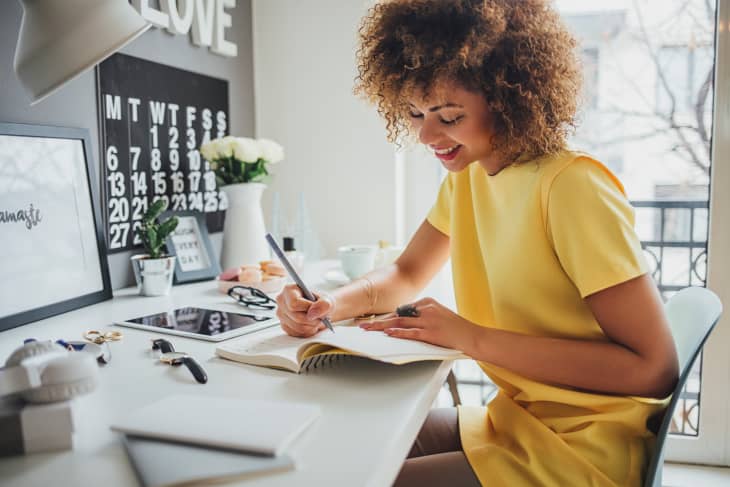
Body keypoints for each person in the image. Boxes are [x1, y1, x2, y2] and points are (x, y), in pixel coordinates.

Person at [275, 1, 679, 486]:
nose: (426, 134)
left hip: (585, 449)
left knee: (362, 475)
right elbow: (405, 274)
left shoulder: (571, 187)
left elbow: (654, 369)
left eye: (448, 115)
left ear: (510, 96)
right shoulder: (467, 177)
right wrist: (327, 305)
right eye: (417, 113)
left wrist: (470, 337)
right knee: (343, 442)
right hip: (518, 421)